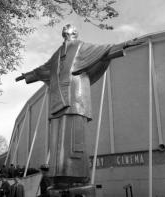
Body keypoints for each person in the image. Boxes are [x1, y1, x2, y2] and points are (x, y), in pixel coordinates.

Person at [16, 24, 139, 188]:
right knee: (57, 139)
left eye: (69, 29)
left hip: (75, 95)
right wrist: (27, 75)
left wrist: (124, 44)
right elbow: (43, 69)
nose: (66, 31)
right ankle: (58, 176)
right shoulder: (57, 54)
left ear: (75, 33)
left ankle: (77, 175)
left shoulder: (82, 46)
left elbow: (104, 50)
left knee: (73, 136)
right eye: (64, 30)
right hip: (57, 101)